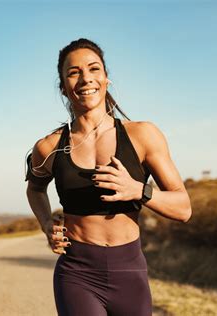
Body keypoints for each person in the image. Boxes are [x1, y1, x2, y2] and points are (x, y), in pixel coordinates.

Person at [24, 38, 192, 316]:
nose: (85, 78)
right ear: (63, 88)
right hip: (76, 273)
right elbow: (35, 189)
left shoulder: (143, 135)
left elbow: (183, 208)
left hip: (130, 272)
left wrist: (139, 190)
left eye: (93, 69)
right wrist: (46, 225)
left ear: (106, 78)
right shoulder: (49, 147)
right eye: (73, 72)